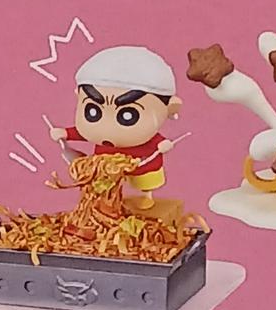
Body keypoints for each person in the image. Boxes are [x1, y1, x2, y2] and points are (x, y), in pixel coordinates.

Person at [47, 45, 182, 210]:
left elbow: (158, 142)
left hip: (143, 163)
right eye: (93, 111)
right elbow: (81, 133)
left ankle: (146, 196)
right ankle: (109, 200)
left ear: (170, 108)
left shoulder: (148, 142)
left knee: (145, 180)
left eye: (128, 115)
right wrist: (65, 133)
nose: (107, 127)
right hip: (104, 163)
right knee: (105, 184)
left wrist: (163, 144)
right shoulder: (95, 137)